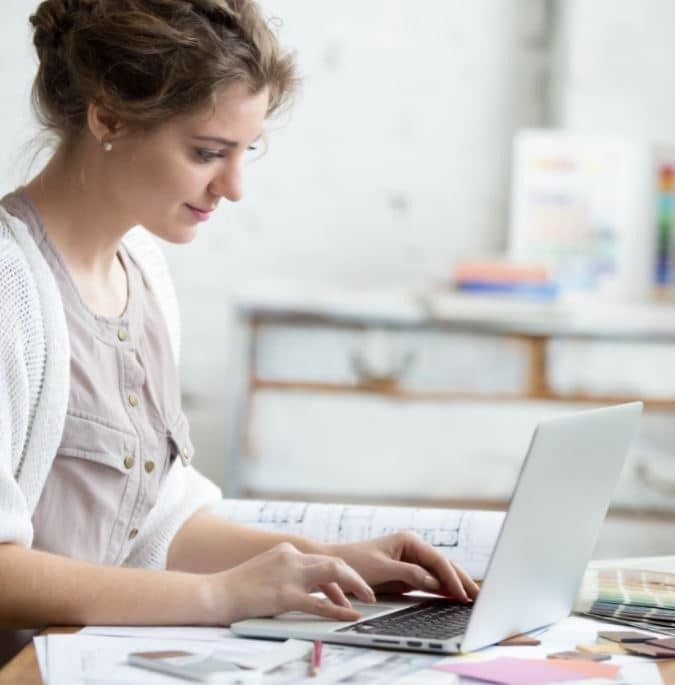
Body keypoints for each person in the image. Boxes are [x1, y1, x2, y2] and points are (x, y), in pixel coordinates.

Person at [0, 0, 478, 642]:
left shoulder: (139, 266)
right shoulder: (11, 290)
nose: (234, 186)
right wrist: (219, 594)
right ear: (108, 115)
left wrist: (328, 561)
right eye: (206, 152)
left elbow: (150, 526)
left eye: (245, 150)